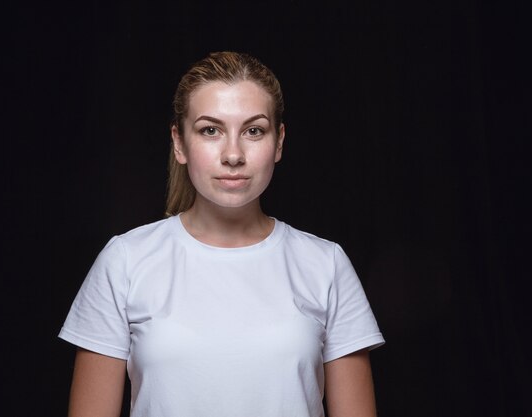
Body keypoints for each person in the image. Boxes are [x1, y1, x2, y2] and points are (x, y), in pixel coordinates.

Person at [59, 51, 384, 417]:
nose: (233, 154)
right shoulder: (125, 261)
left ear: (278, 142)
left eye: (253, 131)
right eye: (210, 130)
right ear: (179, 143)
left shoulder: (326, 264)